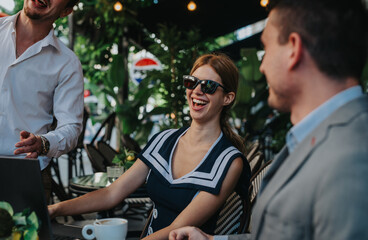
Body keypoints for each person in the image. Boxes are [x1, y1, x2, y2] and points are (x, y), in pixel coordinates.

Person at [169, 0, 368, 239]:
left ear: (293, 49)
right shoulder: (324, 137)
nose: (261, 66)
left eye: (266, 49)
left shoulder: (351, 160)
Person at [48, 53, 251, 240]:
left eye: (208, 86)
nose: (196, 91)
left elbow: (180, 226)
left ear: (227, 98)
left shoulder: (229, 162)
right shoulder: (164, 140)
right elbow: (112, 193)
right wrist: (55, 209)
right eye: (191, 83)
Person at [0, 0, 84, 202]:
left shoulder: (67, 63)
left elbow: (71, 127)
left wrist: (44, 143)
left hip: (25, 174)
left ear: (66, 10)